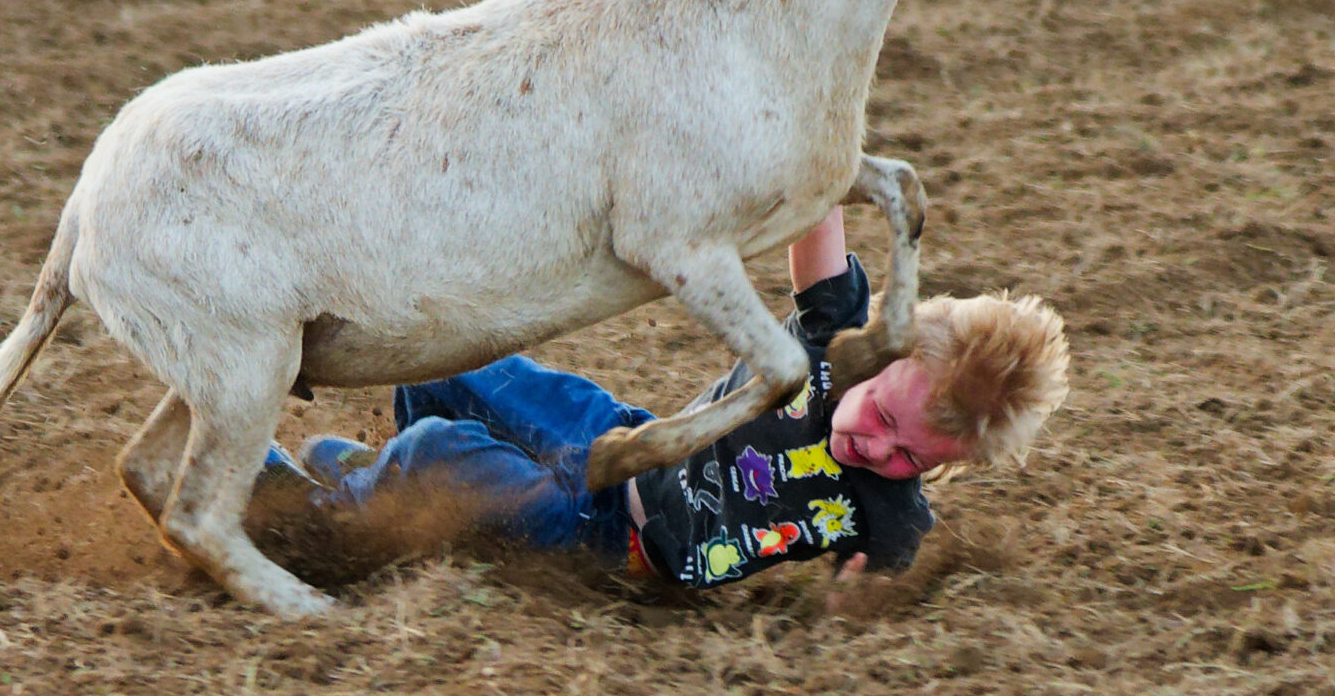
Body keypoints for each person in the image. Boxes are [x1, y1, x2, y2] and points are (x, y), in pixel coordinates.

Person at [257, 207, 1070, 590]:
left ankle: (328, 501)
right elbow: (818, 218)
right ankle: (379, 477)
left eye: (913, 458)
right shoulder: (840, 348)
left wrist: (864, 591)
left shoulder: (891, 518)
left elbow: (870, 597)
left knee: (446, 457)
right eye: (886, 420)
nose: (879, 450)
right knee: (454, 363)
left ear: (948, 461)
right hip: (622, 438)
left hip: (602, 539)